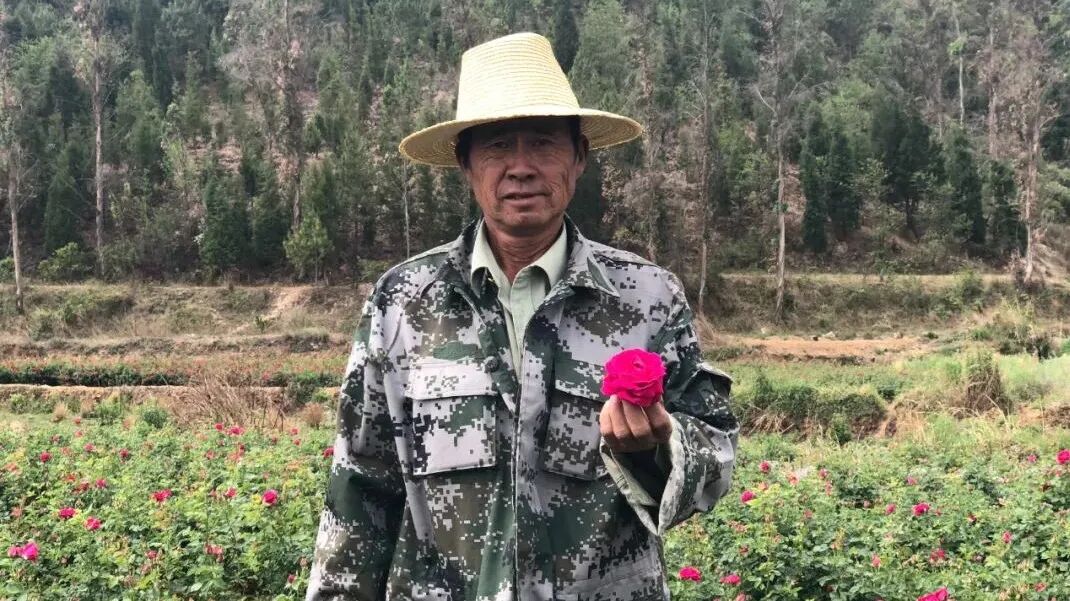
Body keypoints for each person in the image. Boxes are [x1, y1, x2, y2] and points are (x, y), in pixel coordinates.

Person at [306, 32, 738, 601]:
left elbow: (716, 452)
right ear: (465, 164)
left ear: (579, 158)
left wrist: (659, 448)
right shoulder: (402, 301)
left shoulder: (647, 297)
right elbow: (360, 487)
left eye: (542, 143)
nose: (521, 168)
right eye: (497, 147)